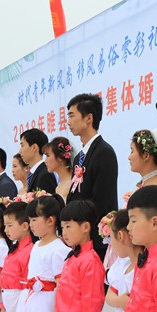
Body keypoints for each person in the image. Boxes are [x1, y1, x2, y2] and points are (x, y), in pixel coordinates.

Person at [66, 93, 119, 259]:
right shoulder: (79, 157)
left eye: (72, 115)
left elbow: (101, 201)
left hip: (96, 241)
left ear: (89, 118)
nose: (68, 122)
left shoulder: (104, 152)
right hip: (80, 239)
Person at [19, 128, 57, 194]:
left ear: (34, 147)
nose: (20, 151)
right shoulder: (33, 174)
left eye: (22, 145)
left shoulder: (45, 175)